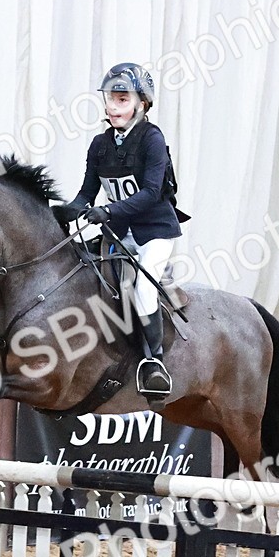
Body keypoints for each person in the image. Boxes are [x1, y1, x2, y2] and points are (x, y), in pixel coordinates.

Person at [63, 62, 188, 399]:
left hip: (155, 232)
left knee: (144, 290)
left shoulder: (152, 140)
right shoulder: (100, 144)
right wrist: (63, 210)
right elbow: (86, 194)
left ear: (141, 104)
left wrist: (108, 211)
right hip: (119, 232)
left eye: (121, 100)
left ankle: (154, 362)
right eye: (109, 99)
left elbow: (149, 194)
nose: (111, 106)